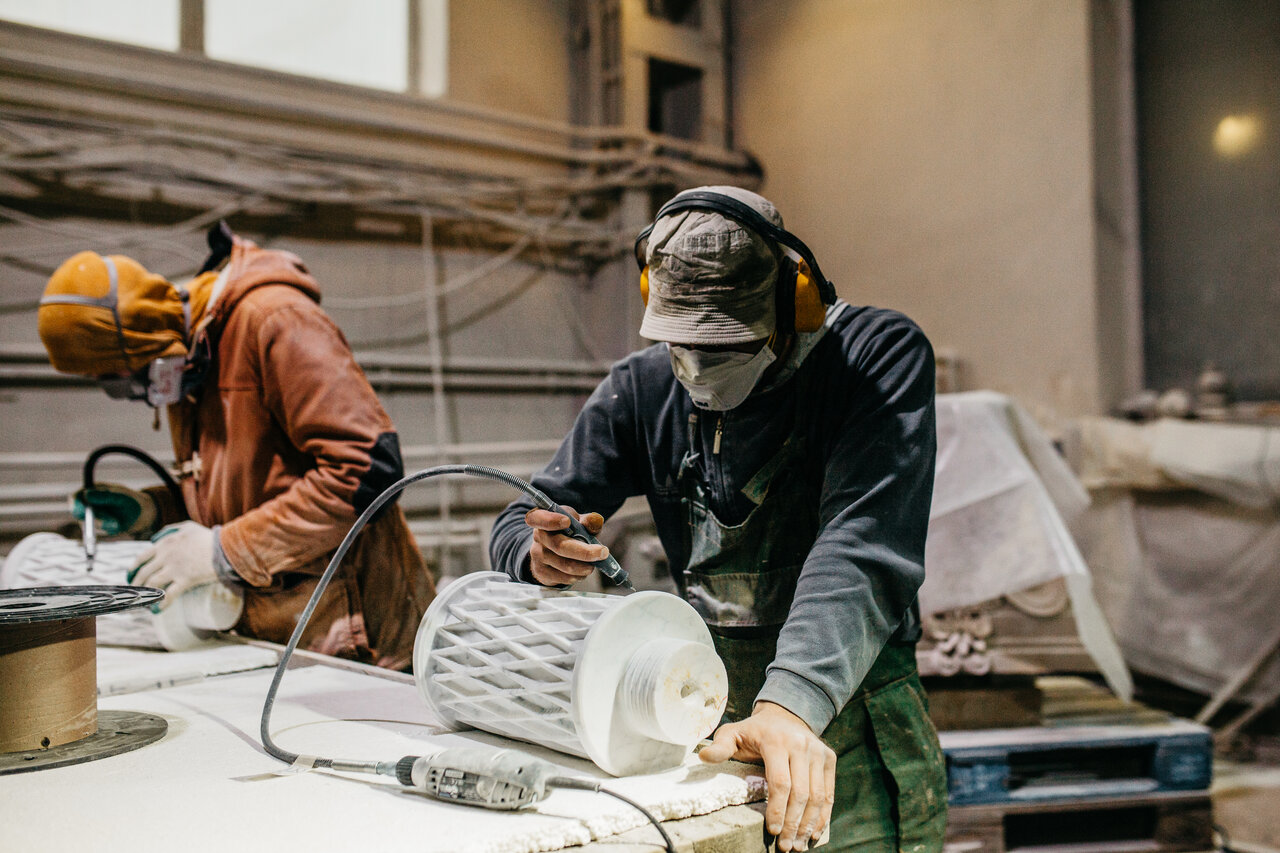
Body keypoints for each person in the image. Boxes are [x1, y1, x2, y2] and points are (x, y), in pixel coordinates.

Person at [490, 187, 946, 851]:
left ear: (795, 303)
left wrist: (790, 706)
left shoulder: (871, 359)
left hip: (854, 729)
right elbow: (523, 508)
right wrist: (531, 551)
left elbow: (862, 547)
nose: (700, 366)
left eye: (728, 342)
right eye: (684, 342)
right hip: (708, 726)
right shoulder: (641, 388)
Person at [38, 223, 435, 669]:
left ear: (148, 341)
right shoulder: (190, 359)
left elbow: (367, 472)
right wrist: (155, 511)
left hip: (365, 642)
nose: (137, 396)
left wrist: (225, 551)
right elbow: (244, 494)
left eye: (123, 381)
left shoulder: (274, 318)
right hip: (287, 638)